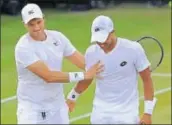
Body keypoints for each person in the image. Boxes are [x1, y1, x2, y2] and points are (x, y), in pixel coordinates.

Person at [14, 3, 103, 124]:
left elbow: (86, 64)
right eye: (31, 24)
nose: (36, 28)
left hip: (58, 108)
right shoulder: (23, 47)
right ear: (24, 25)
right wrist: (83, 75)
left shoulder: (58, 38)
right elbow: (49, 76)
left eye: (38, 22)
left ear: (44, 19)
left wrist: (103, 63)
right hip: (32, 111)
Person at [66, 15, 157, 124]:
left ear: (112, 32)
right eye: (98, 41)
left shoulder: (133, 49)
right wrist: (72, 97)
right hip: (100, 113)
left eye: (104, 39)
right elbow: (88, 78)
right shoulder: (91, 53)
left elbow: (147, 80)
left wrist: (148, 112)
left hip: (127, 114)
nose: (102, 44)